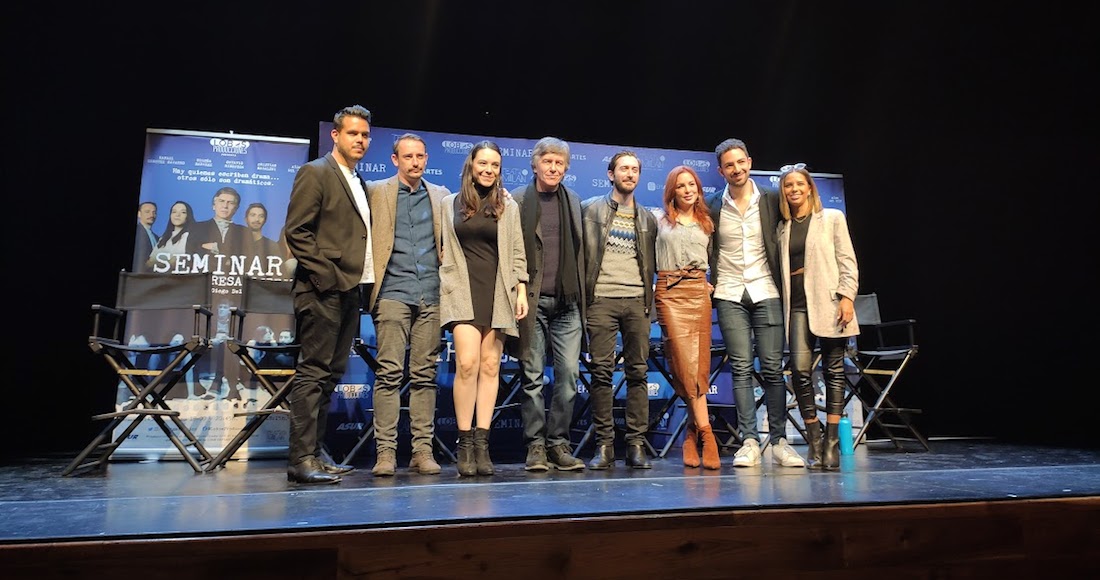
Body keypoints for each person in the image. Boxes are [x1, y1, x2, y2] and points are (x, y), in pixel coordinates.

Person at [282, 104, 375, 484]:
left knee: (330, 374)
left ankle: (315, 453)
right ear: (335, 135)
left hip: (349, 291)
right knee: (314, 372)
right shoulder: (316, 172)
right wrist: (329, 278)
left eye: (365, 135)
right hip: (322, 289)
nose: (360, 140)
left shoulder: (358, 179)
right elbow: (297, 232)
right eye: (353, 133)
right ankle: (300, 459)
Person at [706, 138, 803, 468]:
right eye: (729, 165)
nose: (736, 169)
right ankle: (749, 441)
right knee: (741, 368)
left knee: (773, 368)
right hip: (729, 292)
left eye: (740, 162)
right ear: (721, 171)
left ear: (749, 161)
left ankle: (779, 442)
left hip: (766, 290)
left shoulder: (772, 198)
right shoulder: (713, 204)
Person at [439, 140, 529, 477]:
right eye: (483, 163)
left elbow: (517, 251)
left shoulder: (507, 205)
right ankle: (464, 442)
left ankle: (482, 443)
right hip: (461, 290)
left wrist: (521, 289)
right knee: (467, 364)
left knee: (490, 366)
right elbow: (442, 247)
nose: (488, 170)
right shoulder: (449, 203)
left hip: (498, 290)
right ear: (471, 165)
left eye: (495, 165)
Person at [364, 133, 450, 476]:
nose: (415, 162)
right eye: (408, 156)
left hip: (431, 293)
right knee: (388, 374)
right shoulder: (376, 191)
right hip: (392, 292)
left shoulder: (440, 195)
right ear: (395, 159)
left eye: (420, 156)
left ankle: (421, 451)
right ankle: (385, 453)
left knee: (425, 376)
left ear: (426, 159)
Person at [510, 137, 587, 472]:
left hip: (568, 302)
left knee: (569, 376)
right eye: (548, 162)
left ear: (566, 168)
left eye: (559, 163)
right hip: (532, 301)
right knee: (532, 377)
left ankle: (558, 443)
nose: (553, 168)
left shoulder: (573, 201)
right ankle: (535, 446)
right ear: (535, 164)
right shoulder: (517, 200)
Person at [776, 163, 859, 471]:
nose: (794, 189)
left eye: (799, 184)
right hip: (797, 305)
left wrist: (847, 296)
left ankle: (832, 443)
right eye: (788, 185)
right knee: (799, 371)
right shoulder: (782, 227)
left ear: (810, 187)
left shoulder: (832, 218)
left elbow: (847, 261)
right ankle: (814, 438)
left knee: (834, 371)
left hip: (830, 302)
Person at [580, 151, 657, 470]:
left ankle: (636, 445)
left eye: (635, 169)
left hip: (637, 301)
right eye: (624, 168)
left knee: (638, 372)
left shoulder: (648, 218)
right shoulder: (589, 210)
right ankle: (605, 445)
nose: (630, 174)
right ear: (611, 174)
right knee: (601, 373)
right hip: (601, 299)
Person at [653, 166, 719, 470]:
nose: (687, 190)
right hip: (669, 293)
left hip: (697, 293)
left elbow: (716, 258)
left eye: (692, 184)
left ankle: (694, 432)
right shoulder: (658, 220)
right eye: (681, 186)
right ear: (672, 191)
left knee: (698, 364)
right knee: (682, 363)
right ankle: (706, 432)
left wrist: (709, 283)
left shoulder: (707, 222)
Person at [195, 186, 250, 259]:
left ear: (236, 209)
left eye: (230, 203)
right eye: (221, 201)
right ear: (214, 205)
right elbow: (192, 251)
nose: (225, 206)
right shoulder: (197, 228)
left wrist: (215, 247)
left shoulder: (244, 232)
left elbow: (246, 257)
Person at [146, 200, 197, 271]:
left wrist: (157, 262)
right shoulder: (163, 238)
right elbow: (149, 263)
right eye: (174, 212)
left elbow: (175, 262)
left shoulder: (188, 237)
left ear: (188, 216)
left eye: (183, 212)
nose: (177, 215)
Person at [242, 202, 282, 267]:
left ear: (265, 220)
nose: (257, 219)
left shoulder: (272, 246)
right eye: (253, 215)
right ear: (246, 219)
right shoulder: (237, 244)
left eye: (261, 216)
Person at [134, 201, 157, 272]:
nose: (151, 215)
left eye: (154, 212)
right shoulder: (137, 232)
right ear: (139, 214)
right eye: (147, 212)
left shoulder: (157, 238)